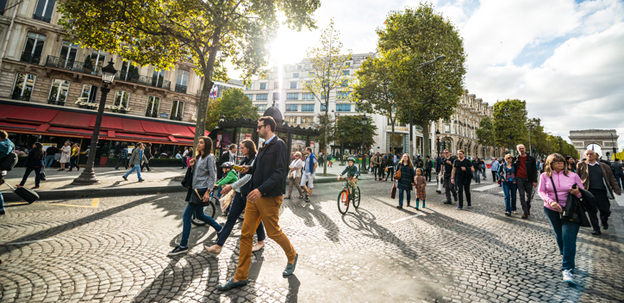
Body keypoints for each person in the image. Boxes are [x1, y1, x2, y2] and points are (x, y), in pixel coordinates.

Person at [217, 116, 297, 291]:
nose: (257, 130)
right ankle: (240, 276)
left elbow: (279, 172)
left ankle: (292, 255)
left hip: (268, 196)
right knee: (246, 235)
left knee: (273, 232)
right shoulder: (263, 145)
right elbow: (261, 167)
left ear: (268, 127)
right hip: (254, 196)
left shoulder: (279, 145)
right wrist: (249, 168)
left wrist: (261, 190)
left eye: (259, 127)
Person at [205, 139, 266, 255]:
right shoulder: (244, 160)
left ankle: (261, 240)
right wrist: (235, 189)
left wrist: (231, 186)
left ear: (249, 148)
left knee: (255, 219)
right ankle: (218, 245)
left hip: (250, 194)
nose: (240, 149)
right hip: (240, 194)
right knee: (230, 219)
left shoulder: (255, 160)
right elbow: (240, 177)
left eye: (242, 148)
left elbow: (248, 177)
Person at [169, 136, 222, 256]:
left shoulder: (210, 157)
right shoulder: (198, 157)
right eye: (198, 142)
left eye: (201, 143)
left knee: (186, 216)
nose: (198, 144)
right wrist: (192, 166)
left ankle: (183, 245)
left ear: (206, 145)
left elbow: (213, 176)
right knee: (199, 214)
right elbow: (196, 174)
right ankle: (219, 228)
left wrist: (208, 191)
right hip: (195, 189)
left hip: (202, 190)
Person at [538, 153, 584, 283]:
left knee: (568, 238)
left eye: (562, 161)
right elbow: (541, 191)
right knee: (559, 234)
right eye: (556, 161)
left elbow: (583, 192)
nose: (560, 163)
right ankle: (566, 255)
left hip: (570, 210)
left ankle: (567, 269)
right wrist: (550, 201)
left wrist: (578, 192)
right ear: (550, 163)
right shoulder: (544, 176)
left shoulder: (573, 176)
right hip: (551, 209)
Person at [576, 149, 621, 235]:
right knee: (591, 211)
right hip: (588, 192)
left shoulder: (604, 166)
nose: (589, 156)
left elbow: (612, 178)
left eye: (591, 154)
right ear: (585, 156)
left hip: (601, 192)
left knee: (605, 210)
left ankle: (604, 221)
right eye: (587, 154)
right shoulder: (580, 165)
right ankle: (596, 228)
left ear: (596, 155)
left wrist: (617, 189)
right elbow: (576, 178)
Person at [512, 144, 538, 219]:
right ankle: (525, 212)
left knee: (529, 196)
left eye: (522, 148)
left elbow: (534, 170)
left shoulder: (531, 159)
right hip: (519, 178)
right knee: (521, 195)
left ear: (525, 149)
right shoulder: (515, 159)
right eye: (520, 148)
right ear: (517, 150)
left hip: (528, 179)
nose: (521, 150)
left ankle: (527, 208)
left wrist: (534, 180)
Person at [0, 130, 15, 215]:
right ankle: (1, 208)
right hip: (3, 169)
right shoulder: (10, 144)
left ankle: (1, 208)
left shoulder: (2, 145)